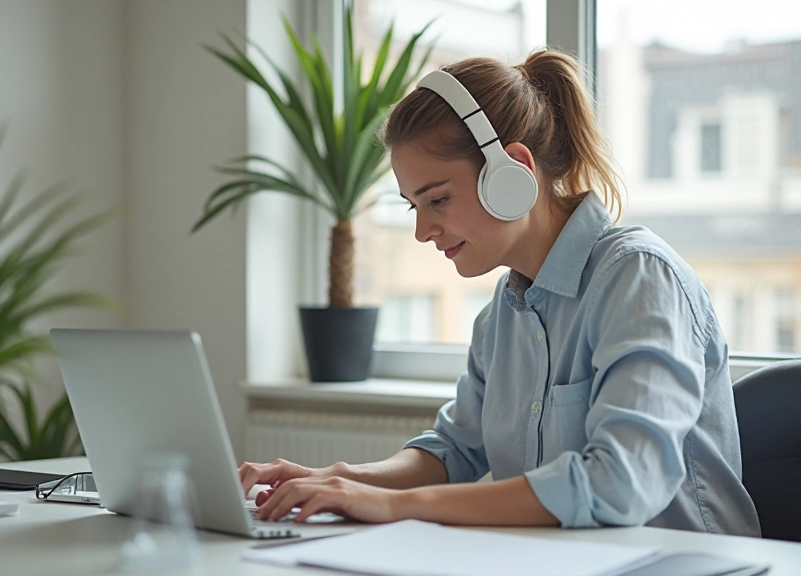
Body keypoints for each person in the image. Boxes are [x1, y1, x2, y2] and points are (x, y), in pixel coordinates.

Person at [240, 48, 761, 536]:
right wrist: (336, 480)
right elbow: (453, 453)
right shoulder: (501, 317)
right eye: (412, 206)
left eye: (437, 200)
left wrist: (399, 507)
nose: (423, 231)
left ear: (512, 171)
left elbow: (619, 484)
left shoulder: (639, 280)